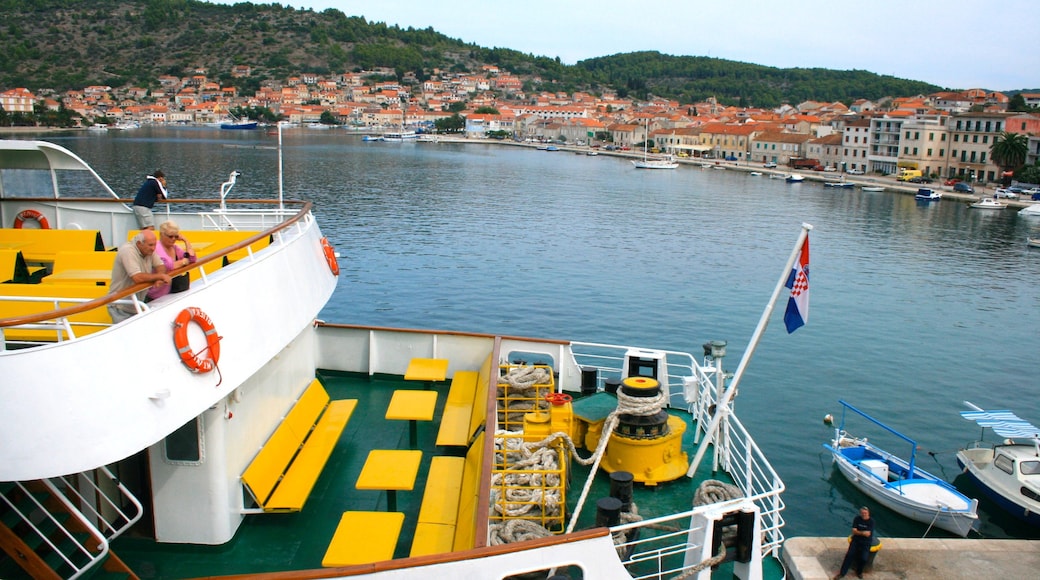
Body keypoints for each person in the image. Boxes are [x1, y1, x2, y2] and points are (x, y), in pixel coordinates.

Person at [107, 230, 171, 323]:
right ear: (139, 244)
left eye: (154, 245)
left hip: (136, 304)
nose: (153, 248)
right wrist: (160, 276)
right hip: (121, 306)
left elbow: (160, 265)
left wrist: (159, 278)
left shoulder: (148, 250)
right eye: (150, 245)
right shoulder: (127, 251)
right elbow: (137, 277)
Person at [147, 220, 196, 301]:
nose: (173, 239)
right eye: (170, 236)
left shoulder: (174, 248)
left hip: (171, 292)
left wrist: (186, 241)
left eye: (176, 237)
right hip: (156, 294)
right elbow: (167, 265)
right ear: (162, 235)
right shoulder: (156, 248)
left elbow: (192, 258)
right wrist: (183, 262)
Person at [834, 506, 874, 579]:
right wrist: (862, 533)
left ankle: (859, 572)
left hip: (866, 542)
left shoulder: (871, 521)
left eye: (865, 513)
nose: (864, 514)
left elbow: (867, 534)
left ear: (868, 513)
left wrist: (858, 532)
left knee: (864, 558)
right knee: (849, 556)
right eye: (862, 513)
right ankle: (842, 573)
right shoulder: (857, 519)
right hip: (856, 541)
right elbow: (854, 531)